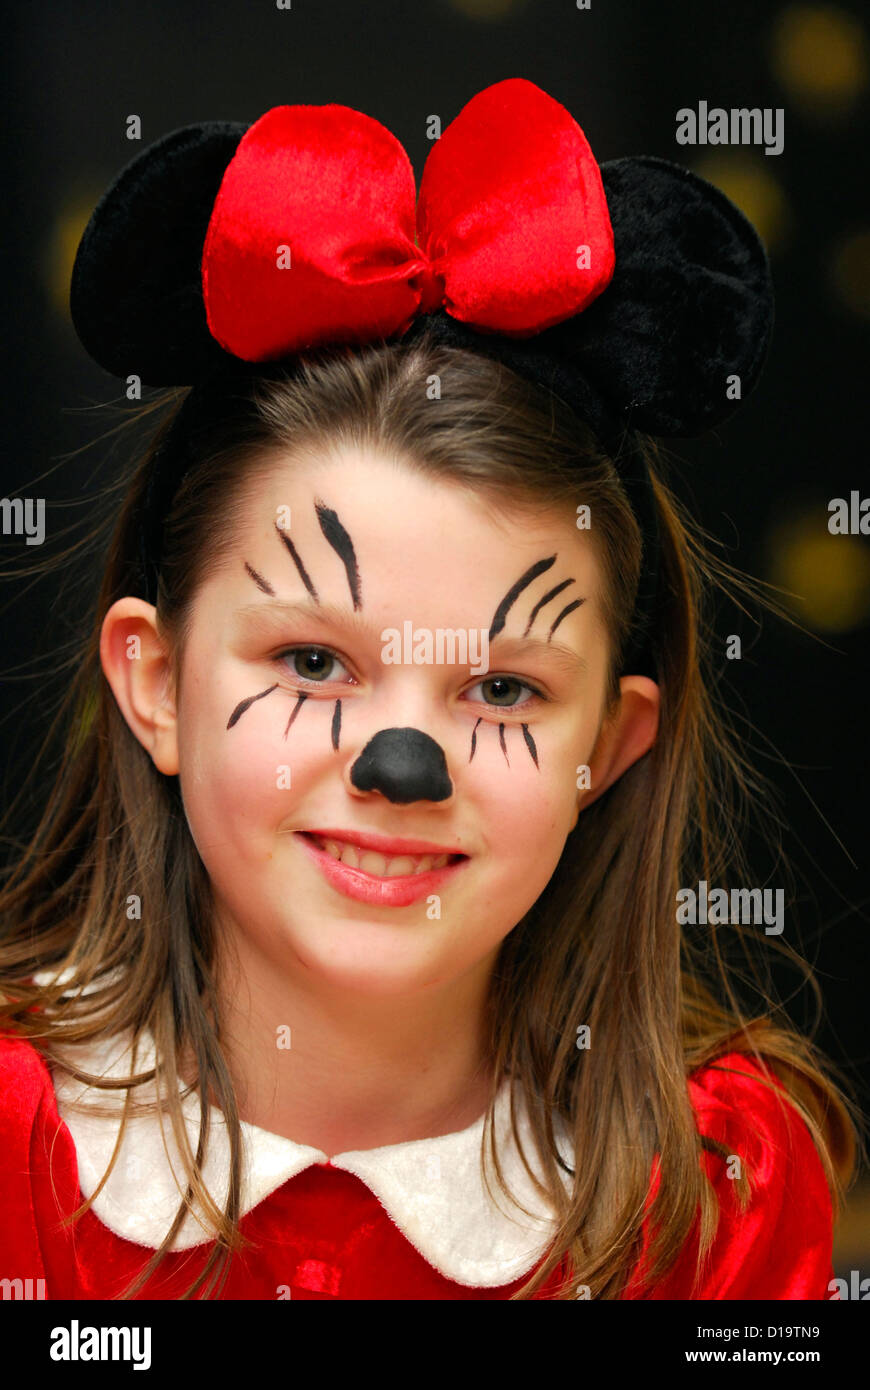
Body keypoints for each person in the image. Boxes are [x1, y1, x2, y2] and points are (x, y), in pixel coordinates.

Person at [0, 78, 860, 1300]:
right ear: (152, 680)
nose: (399, 764)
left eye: (504, 687)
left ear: (608, 747)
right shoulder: (13, 1154)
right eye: (311, 661)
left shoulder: (724, 1189)